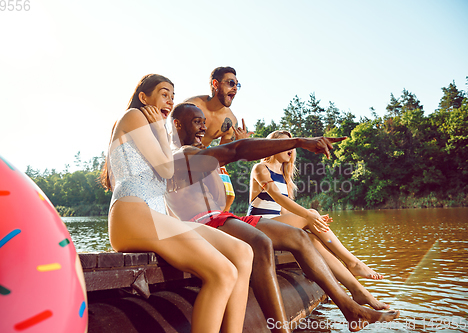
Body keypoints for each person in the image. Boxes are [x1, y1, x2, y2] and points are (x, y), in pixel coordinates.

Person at [165, 103, 400, 333]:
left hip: (221, 217)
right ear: (177, 124)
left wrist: (227, 154)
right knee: (262, 243)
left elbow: (224, 198)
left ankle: (350, 308)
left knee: (299, 237)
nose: (203, 128)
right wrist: (299, 141)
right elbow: (237, 151)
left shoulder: (199, 158)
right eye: (197, 122)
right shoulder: (181, 154)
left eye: (204, 123)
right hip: (202, 223)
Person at [100, 74, 254, 333]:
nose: (170, 100)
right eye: (164, 93)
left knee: (242, 252)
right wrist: (162, 130)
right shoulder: (134, 117)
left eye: (173, 95)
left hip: (154, 216)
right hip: (132, 214)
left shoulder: (150, 129)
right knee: (223, 273)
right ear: (143, 97)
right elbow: (166, 169)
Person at [247, 129, 388, 309]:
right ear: (273, 146)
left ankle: (358, 291)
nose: (291, 149)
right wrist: (308, 215)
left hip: (275, 228)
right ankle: (353, 262)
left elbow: (283, 213)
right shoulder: (260, 168)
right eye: (286, 145)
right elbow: (277, 197)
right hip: (256, 227)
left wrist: (312, 220)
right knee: (311, 213)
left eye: (293, 146)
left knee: (314, 241)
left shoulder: (283, 176)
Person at [185, 66, 252, 212]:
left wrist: (238, 143)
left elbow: (223, 155)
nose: (235, 88)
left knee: (228, 192)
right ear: (216, 84)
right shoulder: (193, 105)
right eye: (231, 83)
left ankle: (221, 220)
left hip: (206, 155)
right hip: (183, 154)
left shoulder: (230, 120)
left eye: (237, 85)